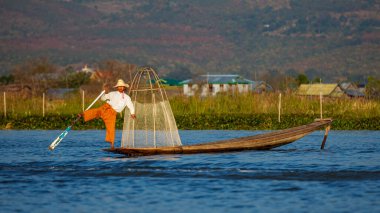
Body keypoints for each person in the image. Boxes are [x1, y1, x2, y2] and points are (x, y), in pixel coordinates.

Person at [79, 79, 136, 149]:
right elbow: (103, 98)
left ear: (124, 88)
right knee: (95, 112)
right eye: (119, 87)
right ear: (117, 88)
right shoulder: (112, 93)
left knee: (111, 127)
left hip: (112, 113)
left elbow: (130, 105)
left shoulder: (127, 98)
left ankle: (112, 145)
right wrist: (104, 93)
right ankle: (82, 114)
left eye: (122, 87)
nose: (120, 88)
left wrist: (132, 113)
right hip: (106, 107)